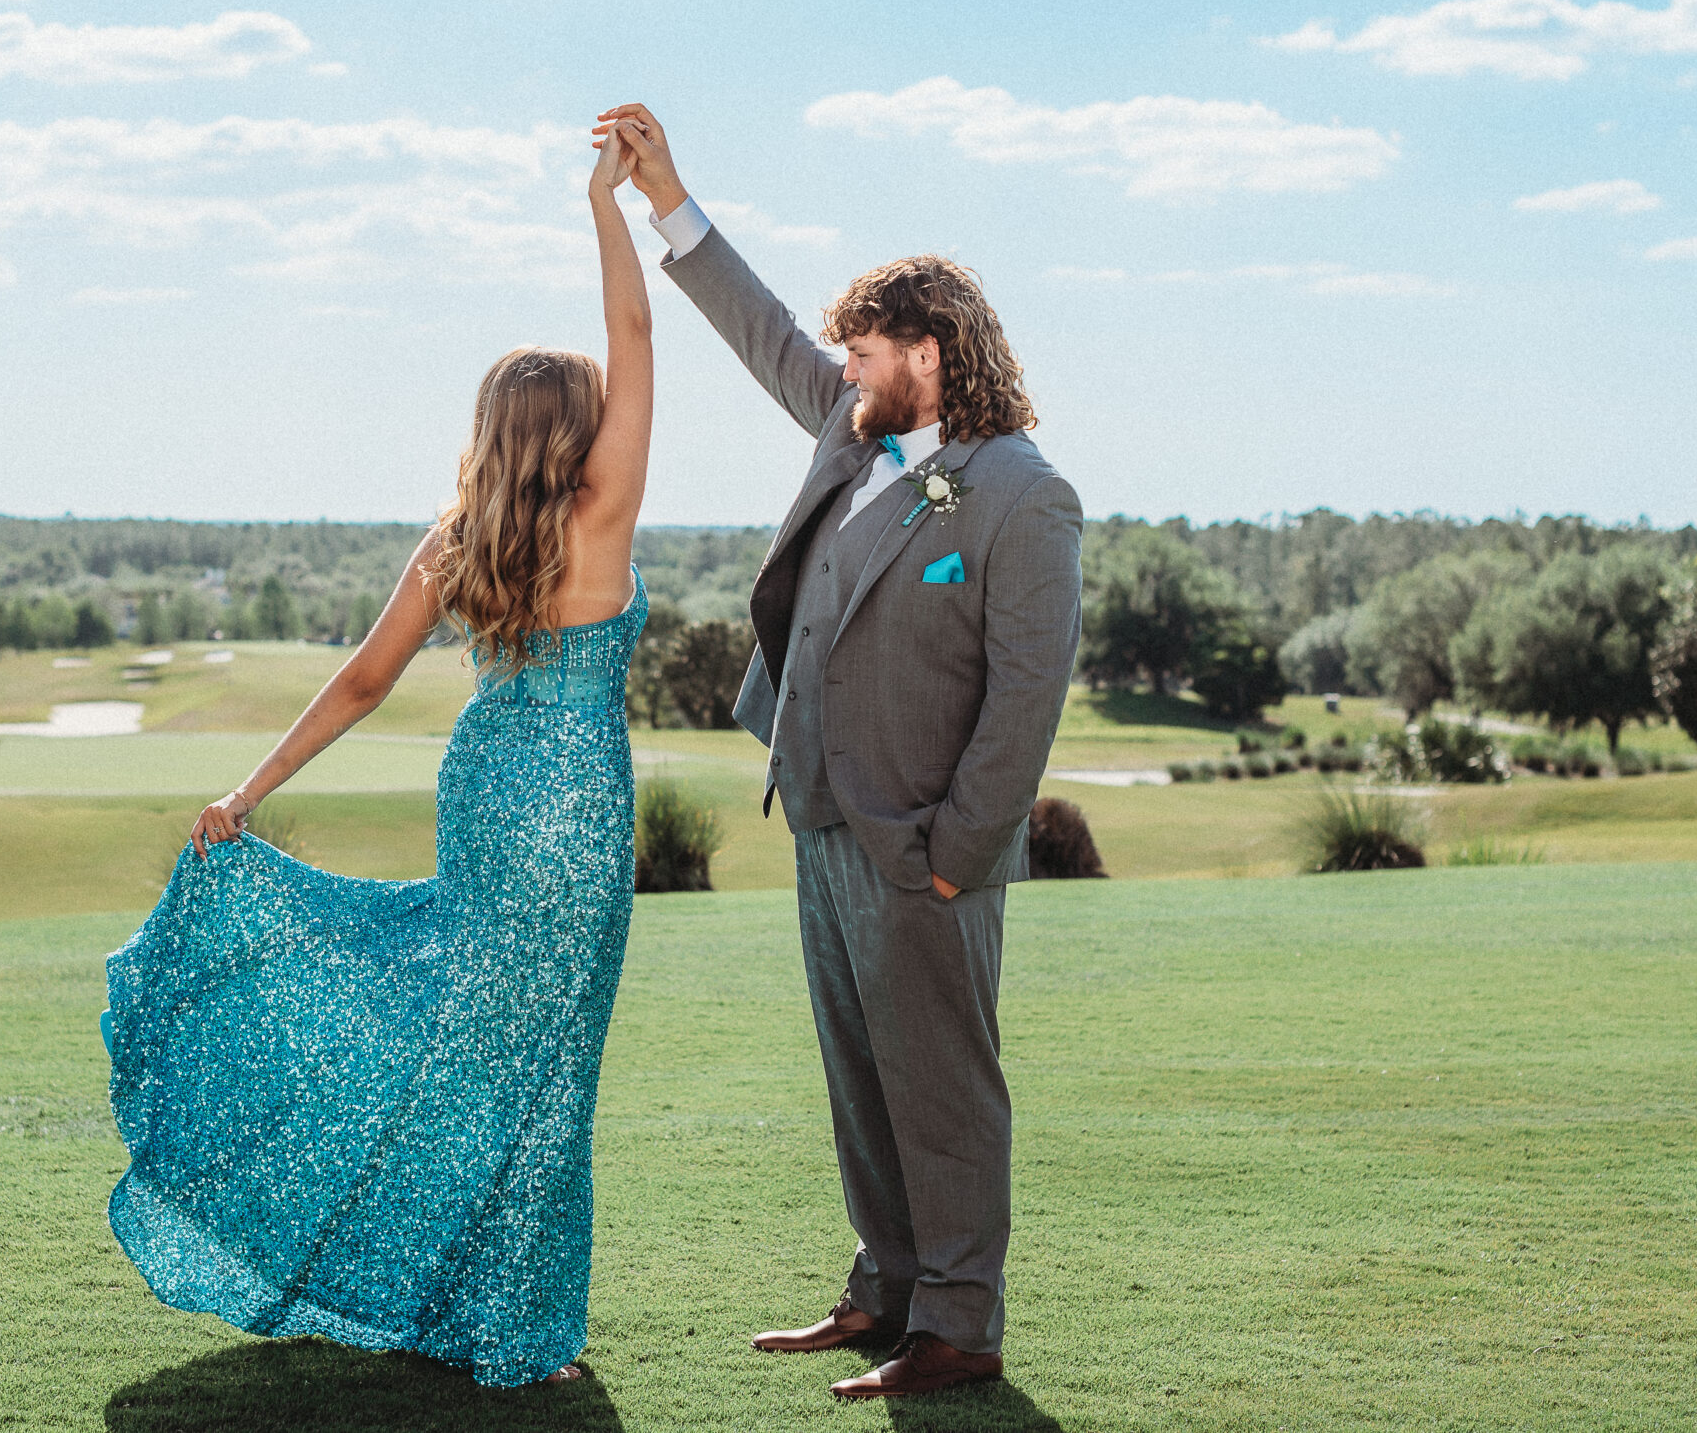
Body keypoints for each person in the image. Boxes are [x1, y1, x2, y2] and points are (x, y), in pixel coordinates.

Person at [99, 122, 654, 1390]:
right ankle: (524, 1336)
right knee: (549, 1069)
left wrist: (247, 791)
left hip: (487, 793)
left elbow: (360, 681)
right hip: (574, 809)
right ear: (579, 429)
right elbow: (636, 333)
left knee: (474, 1053)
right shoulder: (606, 514)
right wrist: (609, 206)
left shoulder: (455, 541)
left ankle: (457, 1298)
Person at [596, 103, 1082, 1401]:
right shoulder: (853, 427)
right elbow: (761, 329)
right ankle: (888, 1291)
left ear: (929, 353)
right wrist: (666, 198)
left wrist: (954, 853)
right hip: (820, 814)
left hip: (923, 844)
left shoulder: (1023, 492)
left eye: (864, 350)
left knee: (943, 1088)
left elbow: (1026, 698)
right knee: (862, 1075)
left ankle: (960, 1325)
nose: (843, 366)